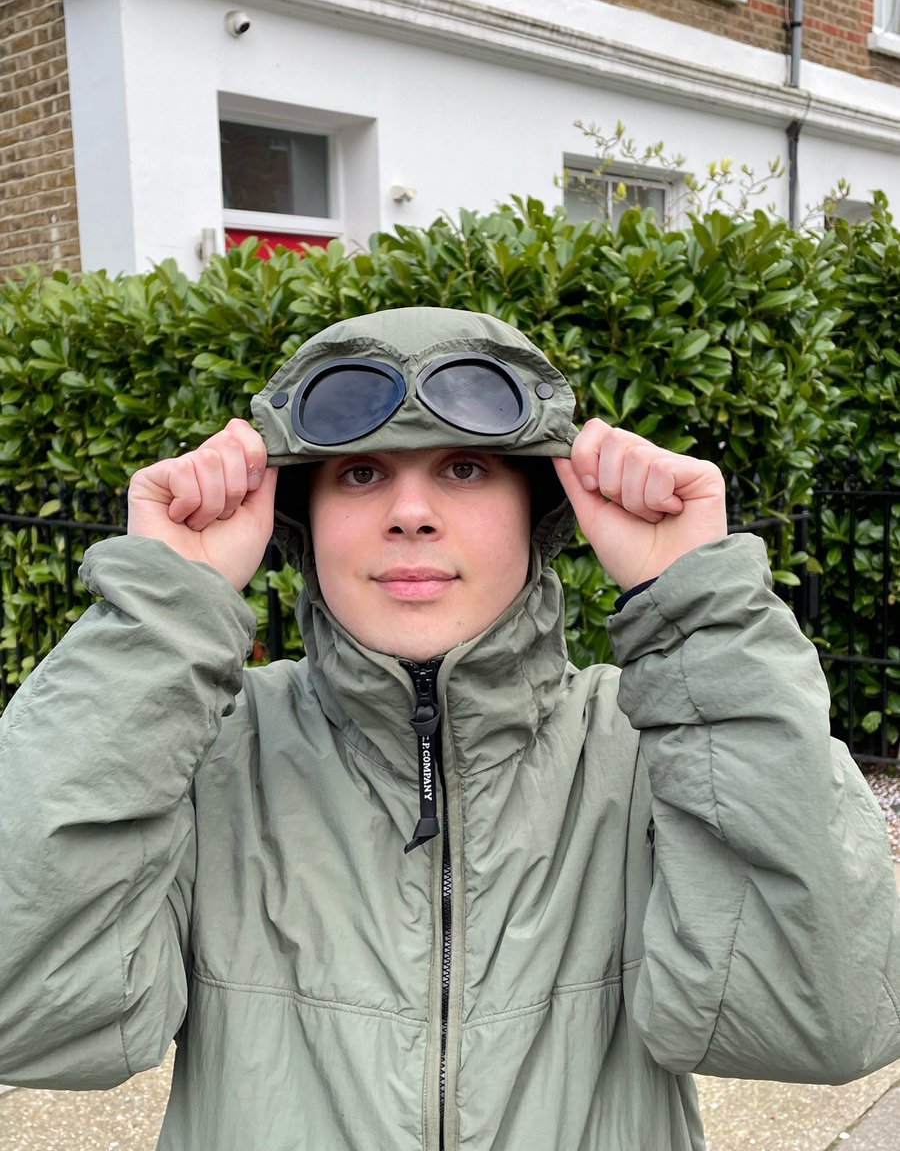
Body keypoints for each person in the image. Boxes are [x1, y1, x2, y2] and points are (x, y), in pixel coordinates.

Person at [0, 307, 897, 1151]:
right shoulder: (210, 747)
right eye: (361, 474)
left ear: (539, 514)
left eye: (464, 469)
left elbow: (824, 1020)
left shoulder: (652, 745)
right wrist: (158, 620)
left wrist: (697, 604)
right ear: (301, 522)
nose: (411, 512)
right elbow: (25, 1012)